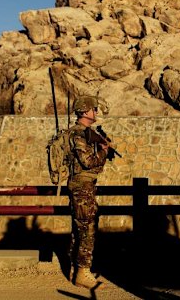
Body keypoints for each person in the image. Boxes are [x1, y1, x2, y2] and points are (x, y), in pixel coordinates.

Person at [67, 95, 111, 289]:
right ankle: (83, 273)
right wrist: (103, 151)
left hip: (83, 186)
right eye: (94, 109)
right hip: (82, 187)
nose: (96, 112)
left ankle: (75, 268)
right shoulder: (78, 134)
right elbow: (88, 162)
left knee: (80, 228)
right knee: (87, 230)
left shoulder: (85, 133)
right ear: (85, 111)